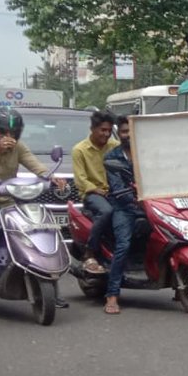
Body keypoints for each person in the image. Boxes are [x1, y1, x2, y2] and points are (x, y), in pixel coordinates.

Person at [0, 107, 64, 286]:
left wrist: (52, 176)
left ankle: (38, 271)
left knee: (29, 220)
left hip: (5, 201)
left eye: (13, 132)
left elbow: (34, 164)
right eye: (3, 132)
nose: (9, 136)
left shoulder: (19, 147)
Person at [102, 116, 141, 315]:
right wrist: (134, 199)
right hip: (124, 207)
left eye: (131, 131)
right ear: (120, 133)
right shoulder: (112, 157)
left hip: (149, 206)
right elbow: (117, 187)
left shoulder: (147, 152)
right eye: (125, 132)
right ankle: (112, 295)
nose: (128, 135)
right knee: (123, 245)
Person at [72, 110, 119, 276]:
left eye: (108, 131)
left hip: (115, 192)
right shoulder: (80, 150)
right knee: (107, 211)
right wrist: (96, 189)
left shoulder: (114, 146)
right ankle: (89, 252)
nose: (106, 134)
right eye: (102, 130)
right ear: (93, 129)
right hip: (92, 194)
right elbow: (80, 180)